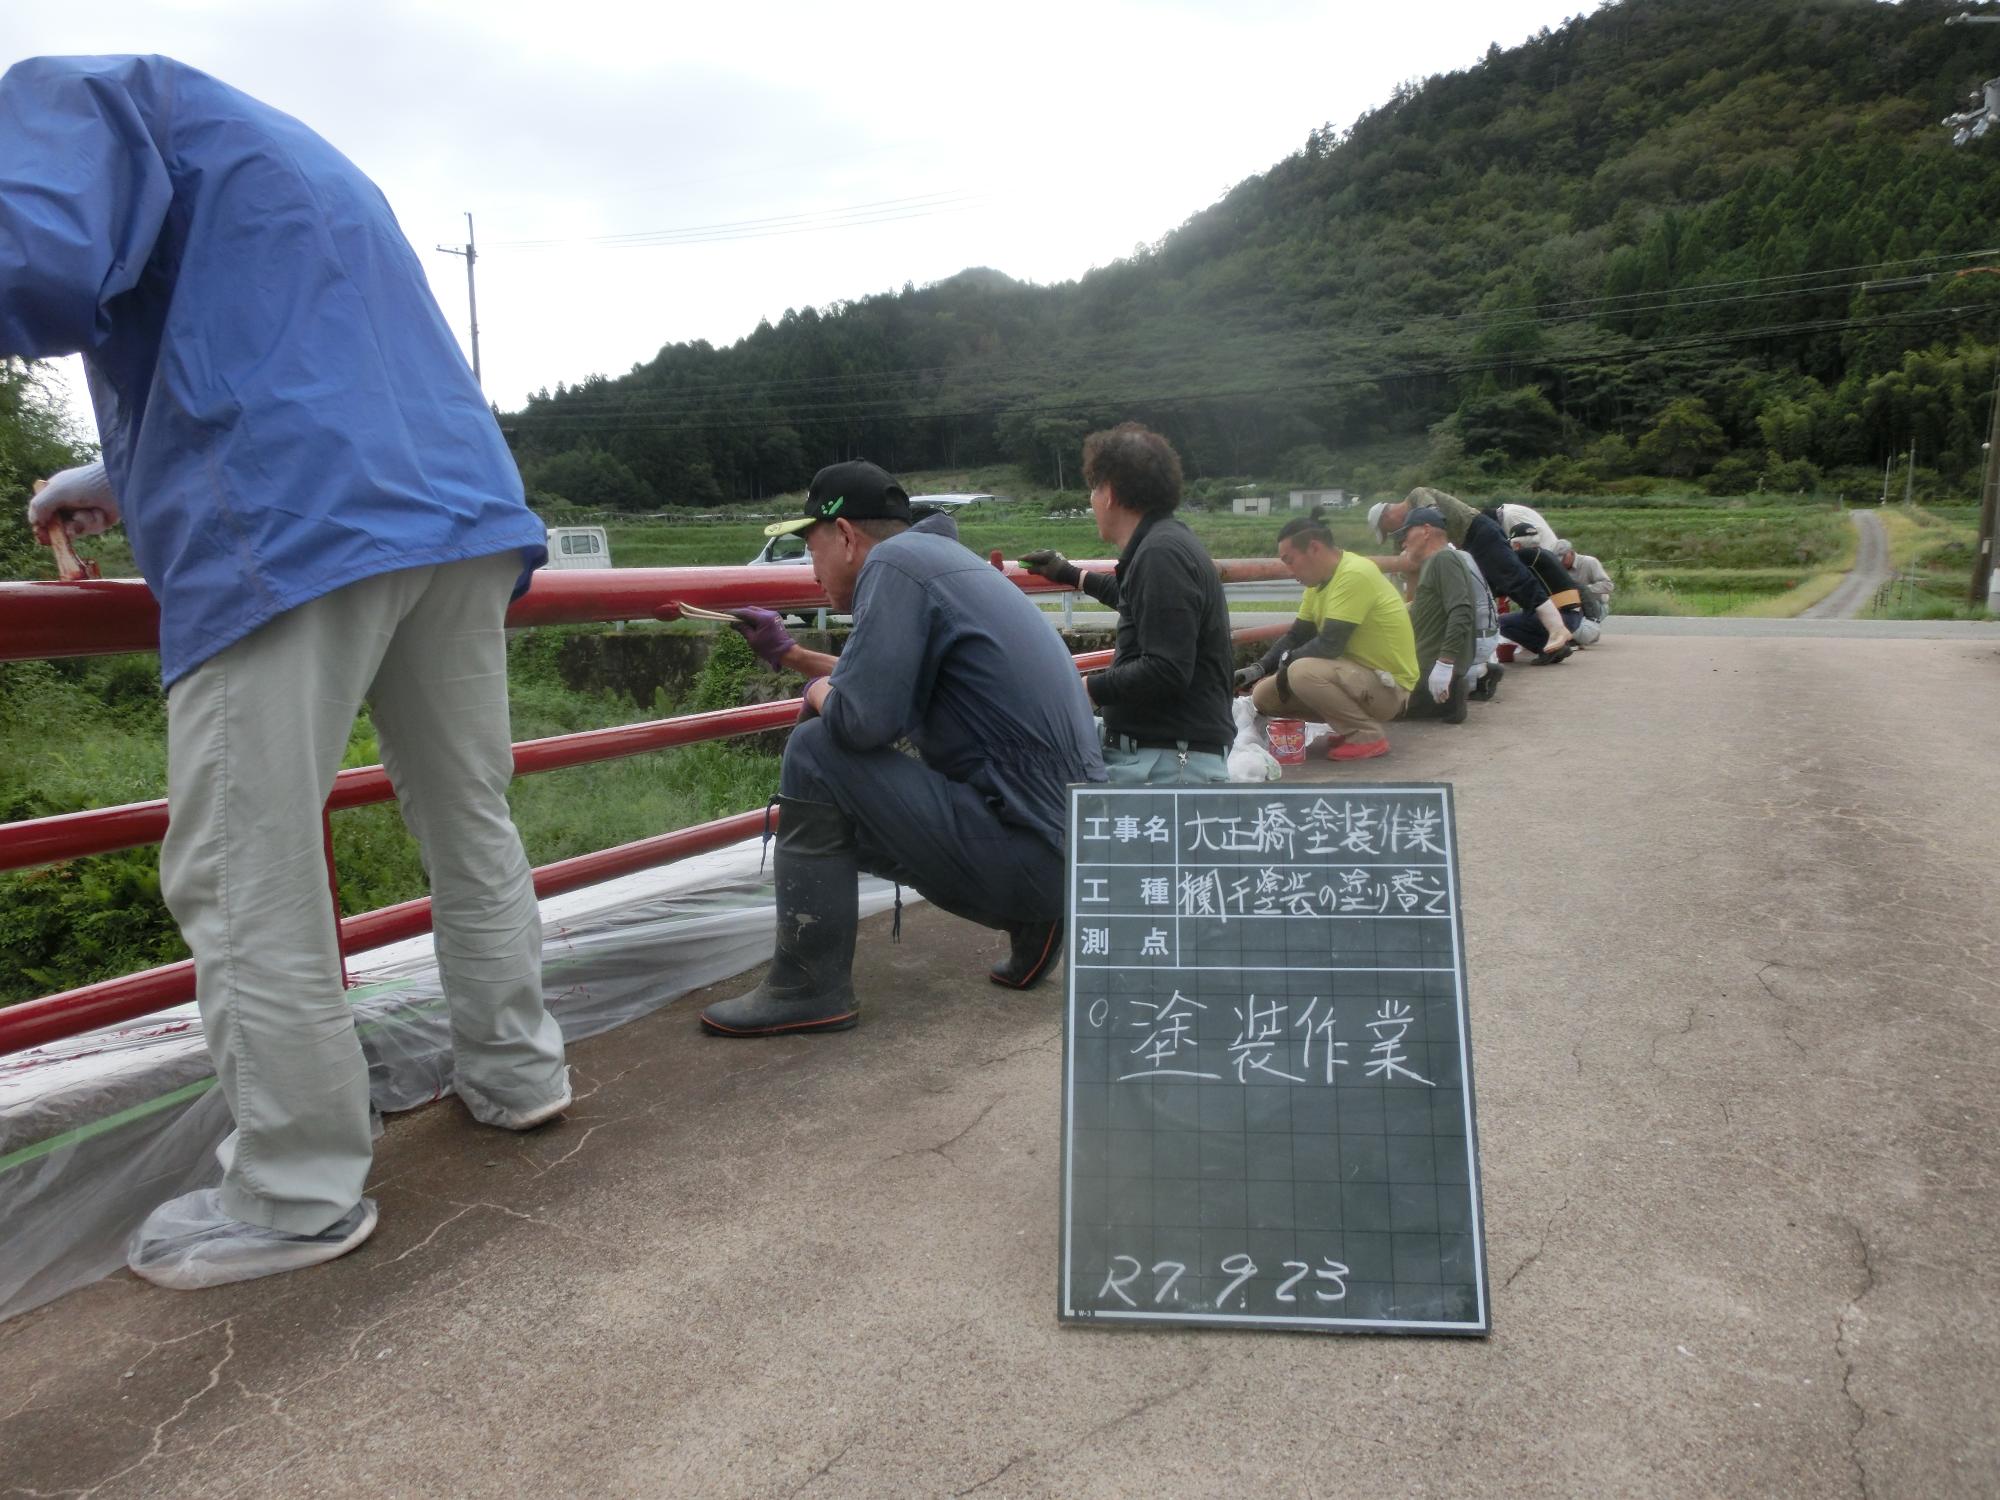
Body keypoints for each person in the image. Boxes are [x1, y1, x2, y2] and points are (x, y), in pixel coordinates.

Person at [1, 56, 570, 1289]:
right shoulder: (269, 141)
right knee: (468, 820)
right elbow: (304, 367)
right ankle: (518, 1075)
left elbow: (33, 266)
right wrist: (98, 479)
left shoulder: (68, 91)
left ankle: (298, 1188)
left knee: (239, 863)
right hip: (456, 512)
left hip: (296, 522)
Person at [705, 460, 1105, 1036]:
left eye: (810, 547)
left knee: (816, 751)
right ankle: (1035, 919)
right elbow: (877, 683)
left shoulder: (891, 567)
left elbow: (860, 720)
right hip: (1070, 848)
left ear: (845, 537)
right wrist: (793, 656)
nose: (810, 570)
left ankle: (807, 984)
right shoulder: (944, 564)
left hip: (1033, 850)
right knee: (834, 762)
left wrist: (813, 689)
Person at [1018, 423, 1234, 784]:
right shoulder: (1166, 541)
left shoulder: (1161, 555)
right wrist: (1071, 574)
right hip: (1167, 751)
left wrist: (1087, 689)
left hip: (1168, 764)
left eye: (1093, 488)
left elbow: (1167, 668)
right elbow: (1136, 600)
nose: (1091, 500)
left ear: (1110, 494)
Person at [1235, 511, 1418, 761]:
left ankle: (1366, 735)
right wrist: (1258, 668)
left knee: (1301, 672)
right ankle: (1348, 726)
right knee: (1263, 695)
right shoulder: (1318, 584)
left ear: (1313, 548)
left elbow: (1330, 644)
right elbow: (1297, 635)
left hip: (1389, 687)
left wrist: (1285, 667)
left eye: (1289, 560)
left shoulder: (1354, 573)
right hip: (1356, 677)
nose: (1288, 570)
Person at [1367, 487, 1574, 659]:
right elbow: (1412, 562)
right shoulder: (1415, 525)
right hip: (1469, 543)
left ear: (1386, 516)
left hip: (1480, 532)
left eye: (1387, 530)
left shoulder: (1417, 496)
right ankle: (1543, 638)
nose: (1394, 535)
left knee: (1515, 579)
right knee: (1492, 590)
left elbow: (1434, 516)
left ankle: (1557, 628)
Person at [1392, 506, 1478, 724]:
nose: (1403, 542)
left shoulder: (1444, 559)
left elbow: (1461, 609)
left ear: (1426, 530)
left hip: (1430, 665)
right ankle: (1447, 698)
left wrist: (1445, 663)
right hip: (1424, 662)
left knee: (1380, 707)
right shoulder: (1436, 562)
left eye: (1406, 534)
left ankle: (1448, 698)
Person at [1502, 523, 1586, 660]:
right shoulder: (1546, 554)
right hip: (1575, 615)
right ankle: (1554, 646)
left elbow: (1502, 576)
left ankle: (1547, 649)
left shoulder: (1524, 555)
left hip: (1560, 616)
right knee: (1527, 613)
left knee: (1502, 622)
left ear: (1516, 545)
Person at [1558, 538, 1612, 647]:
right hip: (1571, 605)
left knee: (1585, 637)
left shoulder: (1590, 562)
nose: (1561, 561)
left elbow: (1608, 585)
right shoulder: (1558, 568)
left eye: (1563, 557)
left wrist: (1583, 590)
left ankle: (1585, 632)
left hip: (1595, 604)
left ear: (1571, 552)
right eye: (1558, 559)